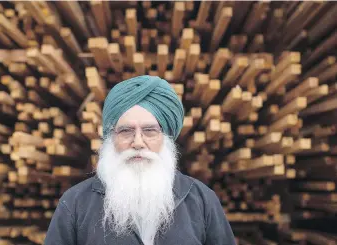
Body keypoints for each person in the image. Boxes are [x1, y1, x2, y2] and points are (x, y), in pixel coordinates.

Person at [44, 75, 236, 245]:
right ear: (111, 138)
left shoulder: (202, 200)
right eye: (126, 131)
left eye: (149, 131)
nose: (137, 142)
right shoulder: (75, 203)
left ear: (166, 138)